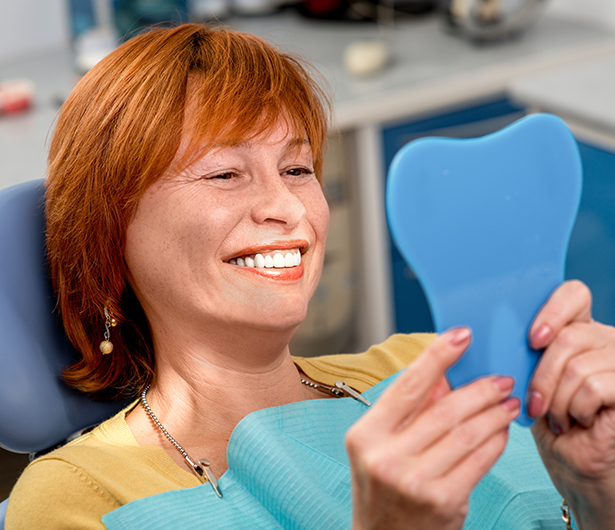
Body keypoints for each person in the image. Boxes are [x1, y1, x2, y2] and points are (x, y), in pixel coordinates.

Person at [5, 22, 615, 530]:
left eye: (297, 168)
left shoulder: (435, 369)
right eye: (224, 174)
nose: (290, 209)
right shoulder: (78, 499)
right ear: (112, 234)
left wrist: (597, 491)